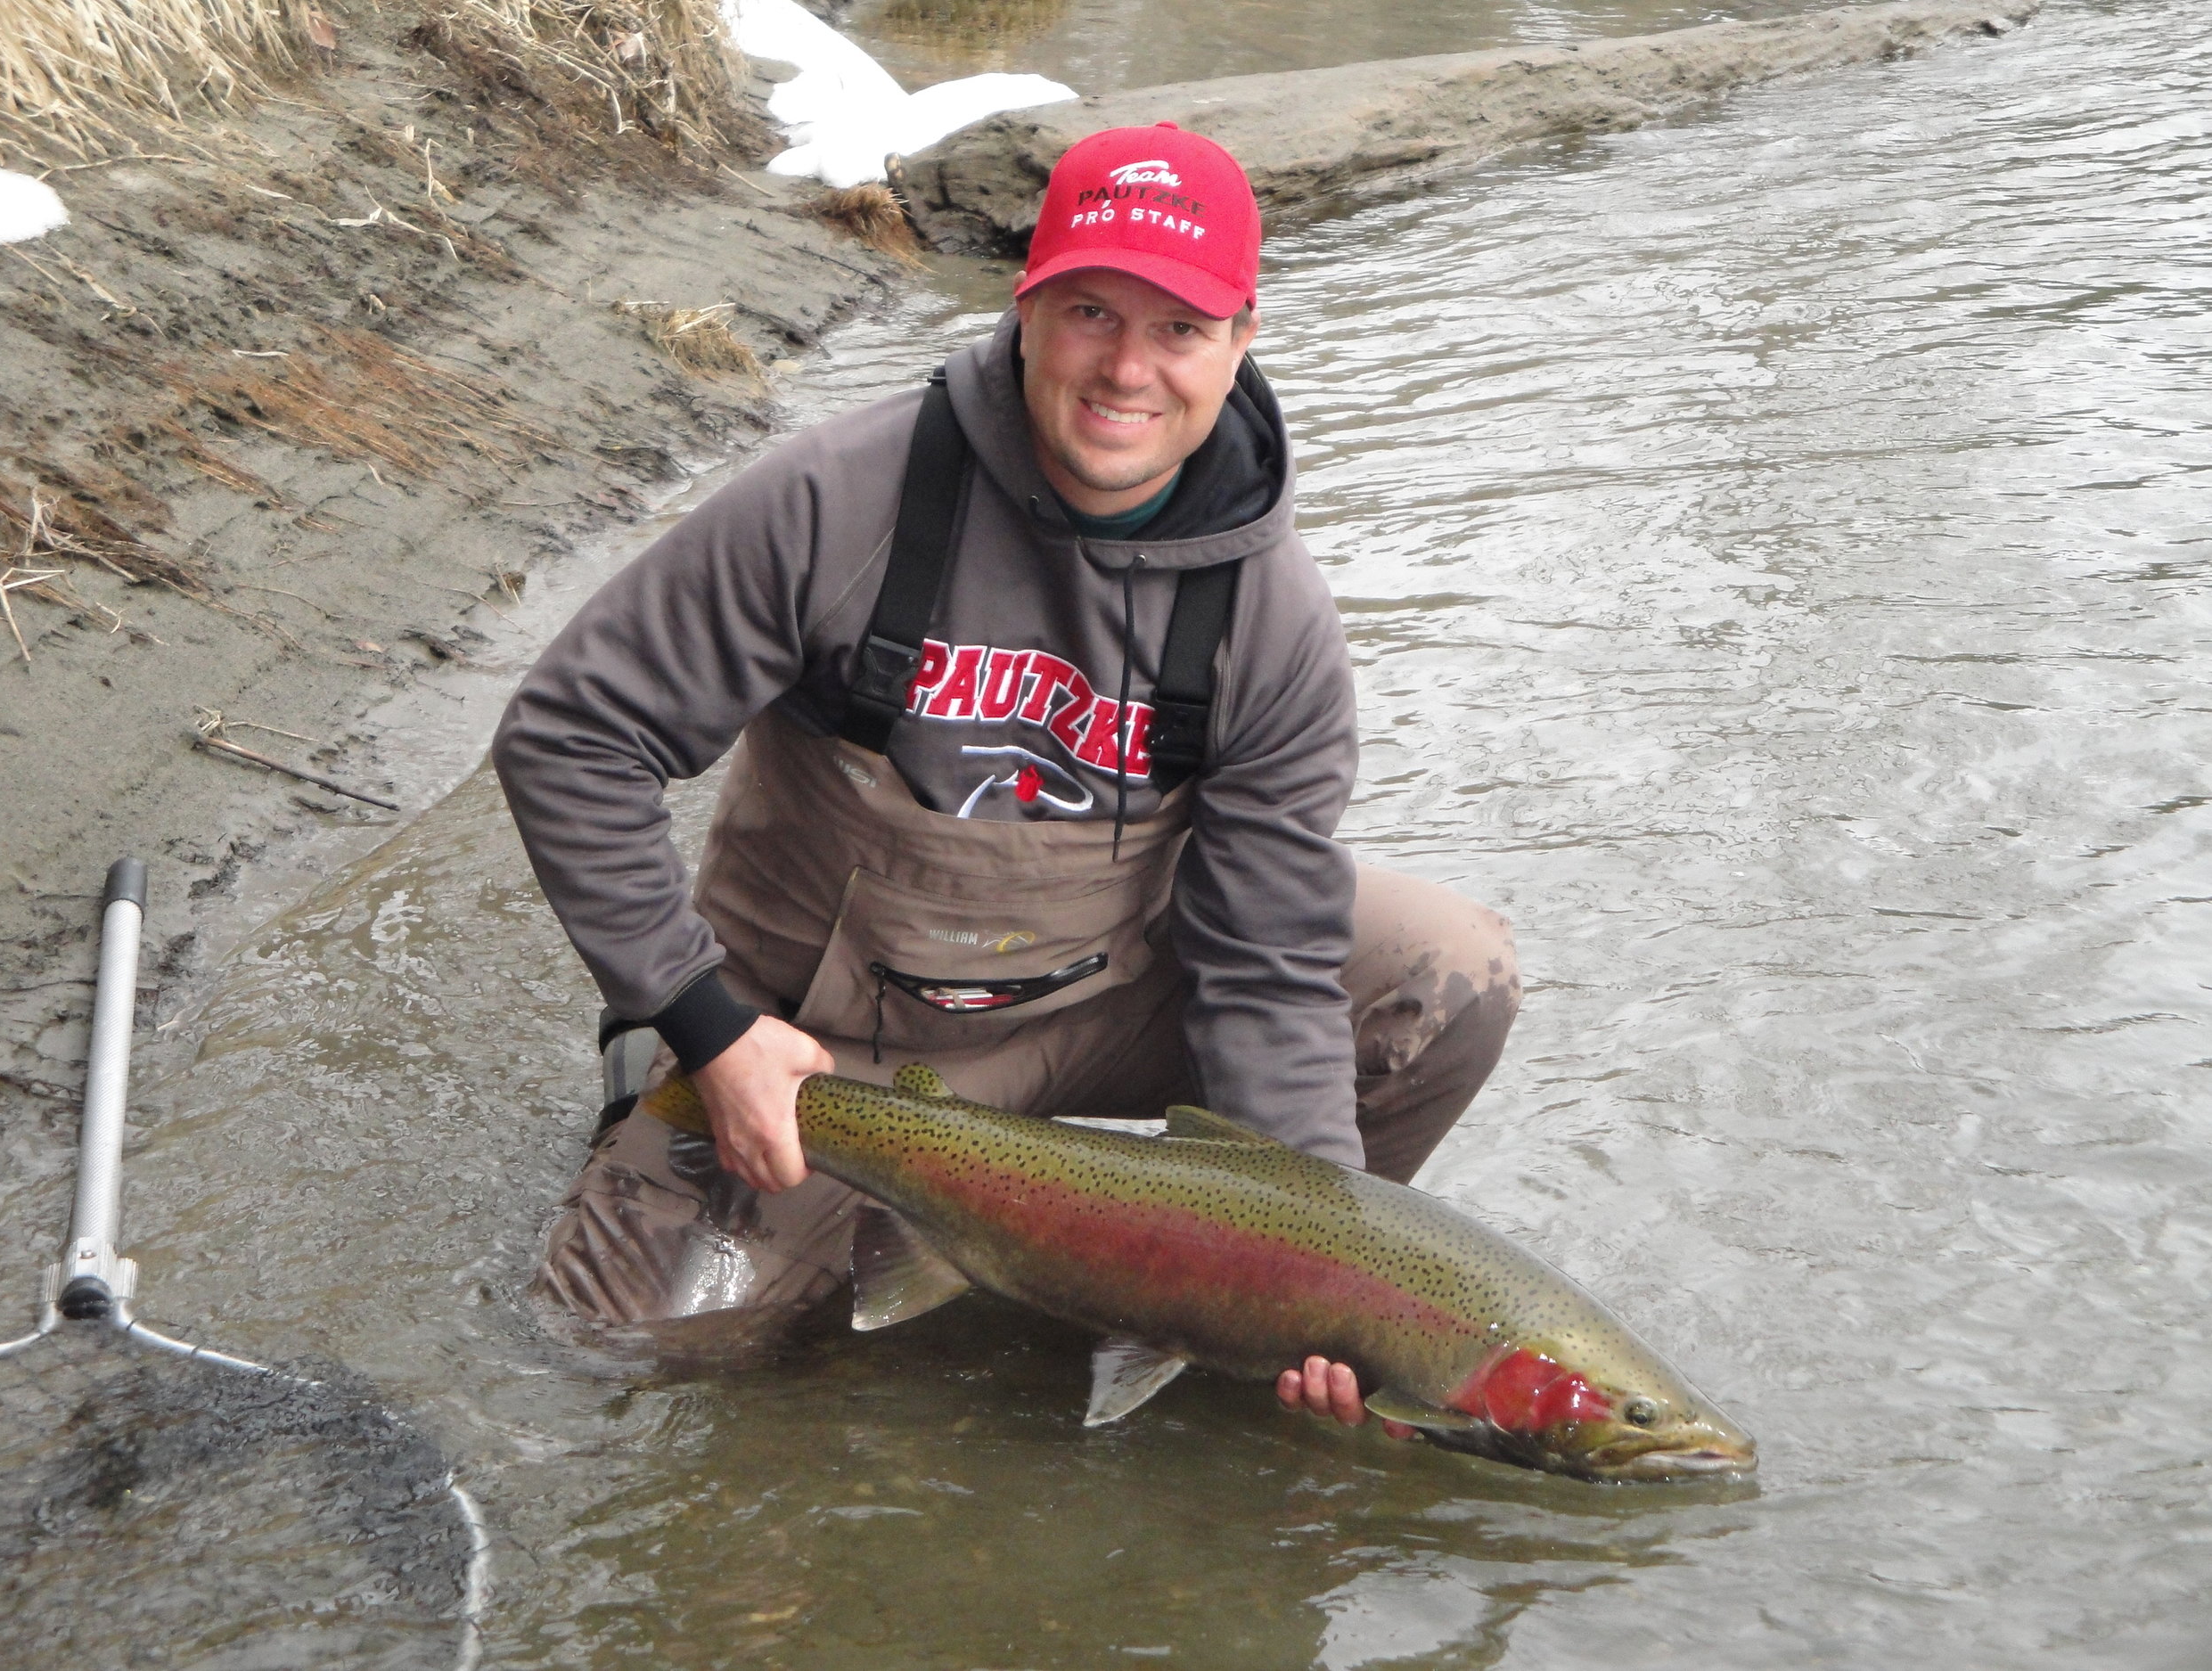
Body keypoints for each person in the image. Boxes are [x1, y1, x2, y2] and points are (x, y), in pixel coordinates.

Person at [492, 122, 1520, 1435]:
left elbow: (1265, 954)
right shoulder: (837, 502)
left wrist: (1309, 1276)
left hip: (1099, 1004)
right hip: (821, 1052)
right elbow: (573, 733)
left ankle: (1161, 1300)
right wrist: (706, 1022)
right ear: (1024, 306)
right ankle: (701, 1114)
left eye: (1180, 328)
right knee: (619, 1352)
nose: (1129, 369)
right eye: (1092, 310)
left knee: (1451, 973)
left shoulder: (1272, 614)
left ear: (1241, 342)